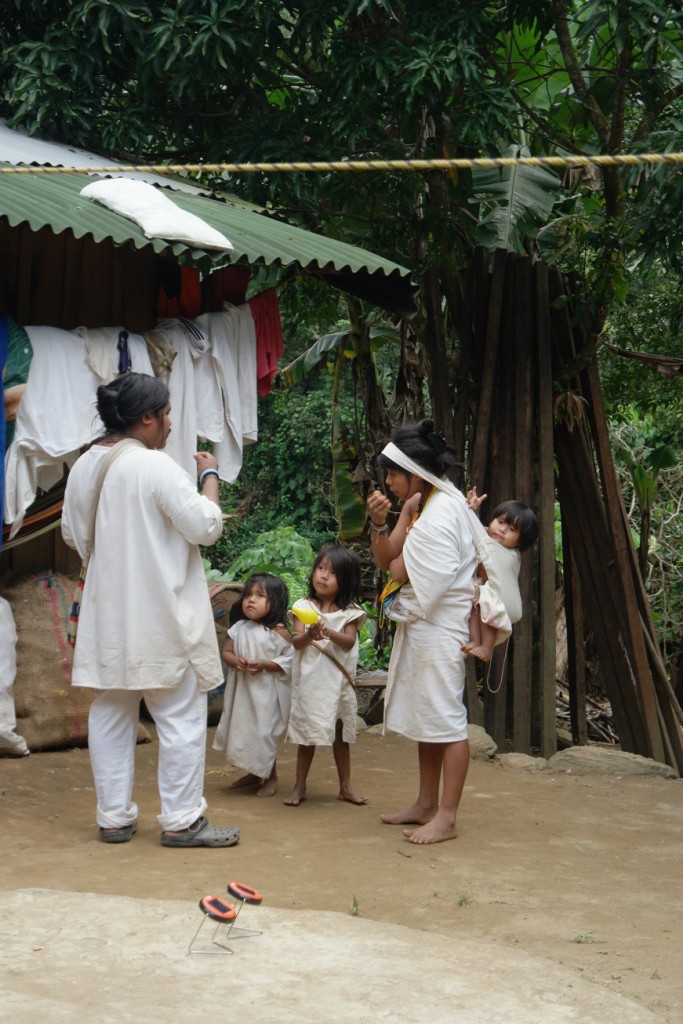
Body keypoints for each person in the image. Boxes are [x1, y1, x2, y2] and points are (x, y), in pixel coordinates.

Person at [61, 371, 240, 848]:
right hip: (160, 615)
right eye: (166, 414)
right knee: (180, 714)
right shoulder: (155, 467)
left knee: (111, 710)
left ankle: (114, 818)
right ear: (146, 418)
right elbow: (205, 526)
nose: (170, 423)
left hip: (107, 617)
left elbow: (73, 536)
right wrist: (209, 478)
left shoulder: (83, 468)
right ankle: (183, 821)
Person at [366, 419, 477, 845]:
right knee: (429, 718)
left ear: (415, 471)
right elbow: (388, 558)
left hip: (439, 628)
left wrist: (388, 526)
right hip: (427, 627)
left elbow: (394, 568)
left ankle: (446, 816)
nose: (389, 482)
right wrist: (382, 524)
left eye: (392, 473)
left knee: (446, 721)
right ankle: (426, 804)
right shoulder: (427, 502)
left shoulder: (437, 515)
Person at [284, 544, 367, 807]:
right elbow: (296, 642)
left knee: (341, 734)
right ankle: (299, 786)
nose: (323, 575)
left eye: (332, 572)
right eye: (320, 568)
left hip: (339, 683)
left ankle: (345, 786)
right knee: (307, 735)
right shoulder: (303, 606)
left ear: (346, 580)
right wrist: (309, 634)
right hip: (311, 682)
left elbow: (349, 642)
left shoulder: (351, 612)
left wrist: (328, 632)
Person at [213, 573, 293, 797]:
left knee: (264, 734)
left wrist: (266, 664)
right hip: (243, 693)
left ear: (275, 603)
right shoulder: (239, 628)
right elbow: (226, 652)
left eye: (260, 596)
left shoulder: (280, 632)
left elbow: (291, 662)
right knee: (245, 731)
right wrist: (236, 661)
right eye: (248, 594)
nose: (251, 600)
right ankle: (254, 772)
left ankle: (270, 775)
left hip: (267, 695)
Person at [462, 488, 538, 662]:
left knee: (487, 608)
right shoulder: (488, 537)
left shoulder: (511, 554)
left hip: (497, 601)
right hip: (481, 594)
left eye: (512, 529)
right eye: (501, 522)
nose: (502, 530)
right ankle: (475, 640)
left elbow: (480, 536)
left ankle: (486, 648)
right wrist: (471, 509)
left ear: (520, 541)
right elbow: (473, 528)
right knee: (475, 611)